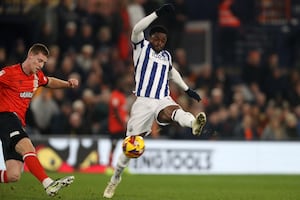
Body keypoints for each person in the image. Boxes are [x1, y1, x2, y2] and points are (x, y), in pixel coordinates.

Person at [103, 4, 206, 198]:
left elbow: (172, 72)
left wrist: (186, 89)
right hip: (143, 102)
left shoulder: (166, 56)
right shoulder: (141, 47)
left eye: (163, 40)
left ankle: (193, 123)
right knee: (130, 146)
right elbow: (136, 29)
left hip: (162, 99)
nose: (159, 41)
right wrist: (157, 14)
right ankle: (115, 178)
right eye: (156, 38)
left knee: (173, 111)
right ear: (150, 38)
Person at [0, 43, 78, 196]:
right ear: (30, 56)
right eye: (39, 60)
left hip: (16, 123)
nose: (41, 65)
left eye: (43, 62)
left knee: (13, 175)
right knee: (27, 147)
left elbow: (50, 82)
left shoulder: (37, 77)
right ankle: (48, 183)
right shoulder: (9, 73)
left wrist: (68, 84)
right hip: (4, 117)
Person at [107, 76, 128, 168]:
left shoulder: (122, 96)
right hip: (115, 126)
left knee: (127, 146)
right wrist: (123, 123)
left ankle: (124, 165)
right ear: (118, 85)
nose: (123, 86)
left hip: (123, 126)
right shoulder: (115, 95)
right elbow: (115, 110)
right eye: (122, 84)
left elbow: (123, 111)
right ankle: (109, 165)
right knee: (114, 146)